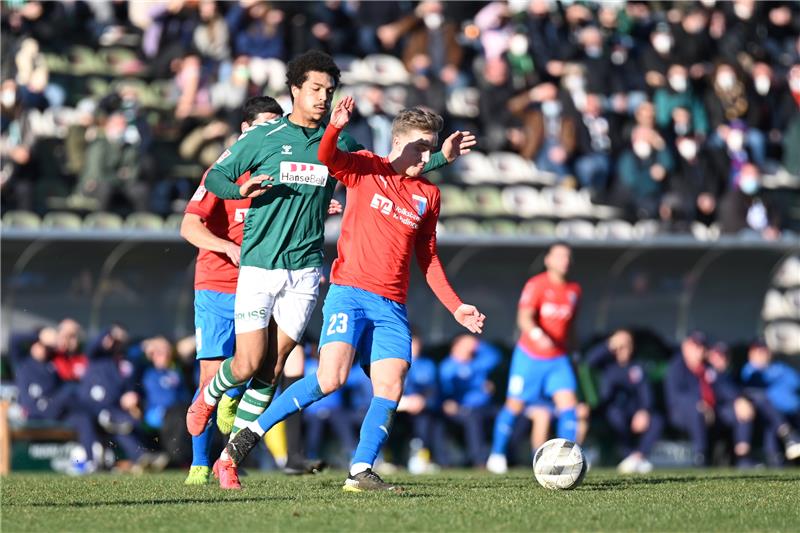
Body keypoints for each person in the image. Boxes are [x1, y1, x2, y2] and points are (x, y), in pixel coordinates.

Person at [185, 51, 466, 489]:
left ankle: (244, 453)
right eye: (315, 88)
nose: (322, 97)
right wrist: (242, 186)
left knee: (276, 365)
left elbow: (387, 168)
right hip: (261, 264)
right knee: (248, 364)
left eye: (329, 90)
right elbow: (219, 179)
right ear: (295, 89)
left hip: (306, 271)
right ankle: (210, 401)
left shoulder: (369, 159)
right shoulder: (266, 137)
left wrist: (438, 161)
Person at [180, 95, 284, 485]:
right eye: (264, 126)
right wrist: (226, 246)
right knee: (210, 377)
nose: (271, 134)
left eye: (277, 126)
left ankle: (231, 452)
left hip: (260, 286)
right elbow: (188, 228)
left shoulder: (279, 171)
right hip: (216, 288)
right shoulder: (222, 173)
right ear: (244, 131)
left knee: (260, 368)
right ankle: (198, 464)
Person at [487, 242, 581, 475]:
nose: (564, 261)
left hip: (558, 358)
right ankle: (497, 455)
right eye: (559, 256)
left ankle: (568, 459)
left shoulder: (574, 290)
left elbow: (571, 326)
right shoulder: (537, 285)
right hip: (530, 356)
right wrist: (539, 335)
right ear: (548, 260)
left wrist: (575, 350)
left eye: (568, 256)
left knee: (570, 406)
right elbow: (524, 318)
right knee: (515, 405)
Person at [586, 329, 663, 474]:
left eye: (627, 344)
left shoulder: (638, 366)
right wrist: (609, 345)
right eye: (620, 344)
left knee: (657, 420)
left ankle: (638, 457)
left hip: (634, 410)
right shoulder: (606, 365)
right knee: (615, 417)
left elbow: (645, 391)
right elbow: (588, 361)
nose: (624, 348)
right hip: (610, 409)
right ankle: (628, 455)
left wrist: (644, 411)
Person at [439, 334, 500, 468]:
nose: (470, 348)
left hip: (485, 407)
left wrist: (478, 344)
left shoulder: (476, 363)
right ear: (456, 346)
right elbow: (445, 391)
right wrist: (447, 401)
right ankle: (479, 461)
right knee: (474, 419)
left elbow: (495, 357)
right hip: (462, 408)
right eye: (466, 344)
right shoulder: (448, 366)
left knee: (506, 417)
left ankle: (502, 456)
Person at [740, 339, 800, 465]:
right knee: (772, 420)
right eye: (757, 352)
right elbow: (752, 389)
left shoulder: (780, 368)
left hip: (791, 411)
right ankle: (784, 441)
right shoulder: (750, 371)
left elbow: (795, 382)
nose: (761, 355)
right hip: (765, 414)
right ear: (751, 354)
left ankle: (786, 445)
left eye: (764, 352)